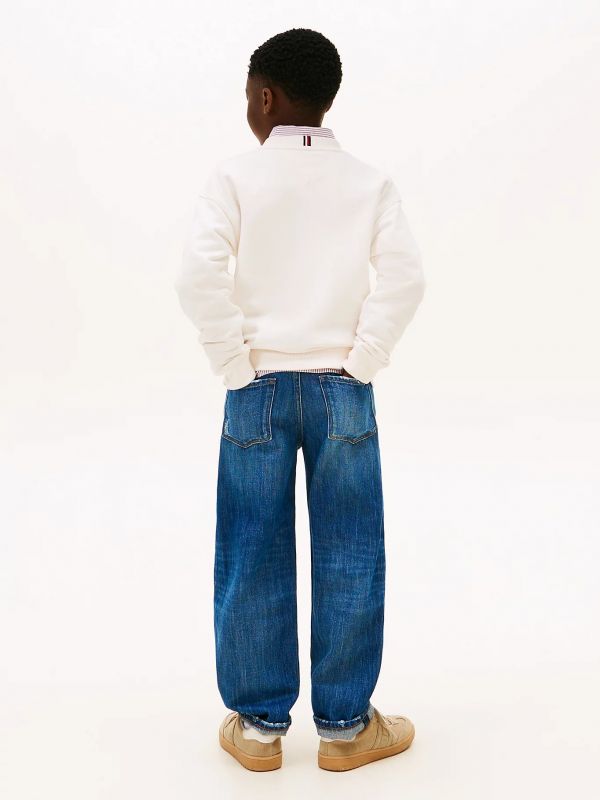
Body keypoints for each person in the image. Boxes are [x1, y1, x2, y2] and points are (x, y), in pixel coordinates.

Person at [174, 27, 426, 772]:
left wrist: (233, 361)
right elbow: (406, 278)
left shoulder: (235, 177)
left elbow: (196, 276)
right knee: (352, 550)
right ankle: (346, 729)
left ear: (265, 97)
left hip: (255, 387)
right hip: (343, 388)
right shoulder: (369, 182)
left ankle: (258, 731)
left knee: (251, 547)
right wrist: (363, 359)